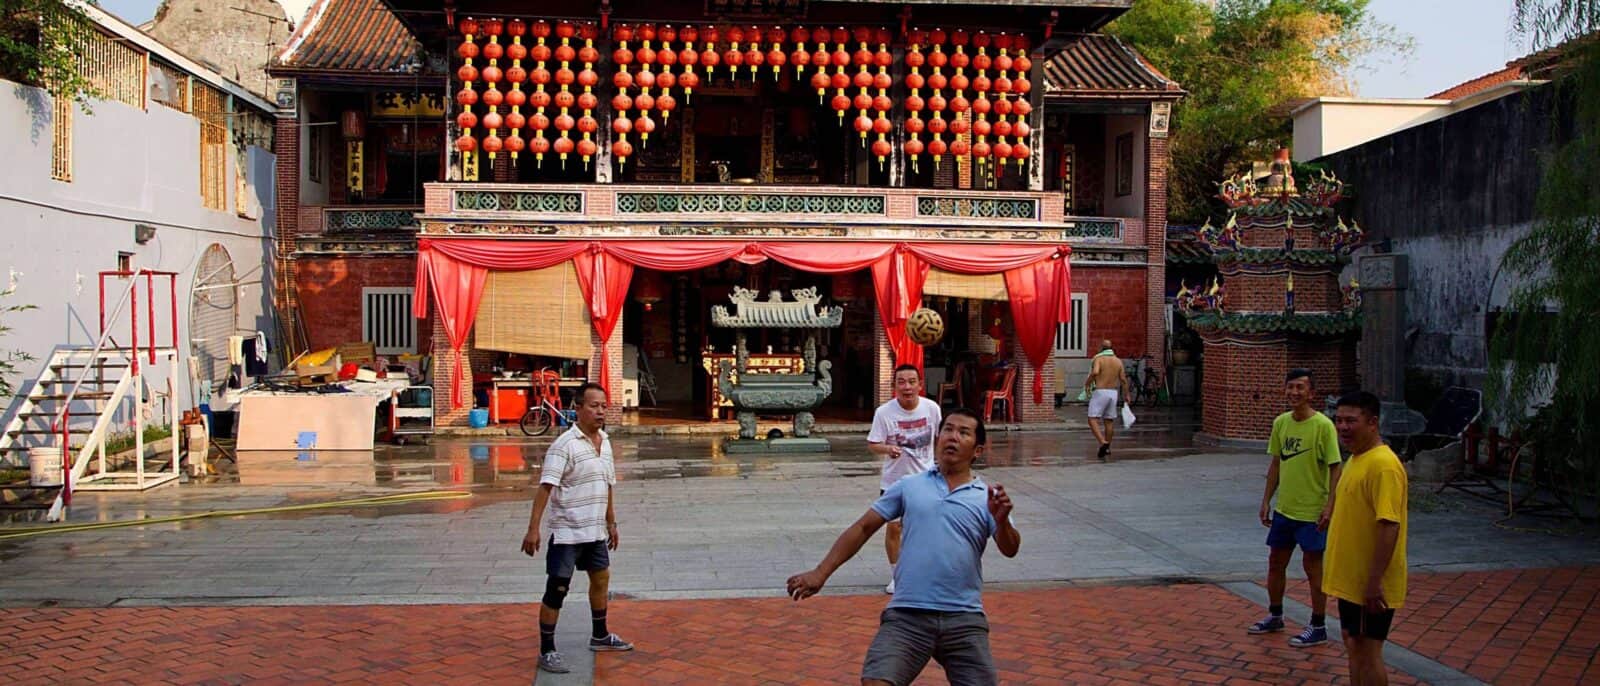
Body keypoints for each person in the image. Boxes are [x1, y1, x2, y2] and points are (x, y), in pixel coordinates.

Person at [788, 409, 1021, 686]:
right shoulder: (910, 486)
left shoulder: (987, 497)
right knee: (876, 681)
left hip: (963, 616)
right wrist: (821, 573)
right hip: (908, 614)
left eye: (963, 433)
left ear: (978, 450)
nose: (952, 437)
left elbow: (1010, 548)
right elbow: (863, 527)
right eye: (947, 429)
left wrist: (1002, 521)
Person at [521, 383, 633, 674]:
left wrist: (611, 522)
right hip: (567, 532)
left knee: (601, 579)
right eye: (594, 406)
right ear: (578, 408)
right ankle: (547, 650)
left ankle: (600, 635)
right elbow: (545, 488)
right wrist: (533, 529)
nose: (600, 411)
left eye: (604, 406)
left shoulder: (605, 442)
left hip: (595, 531)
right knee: (557, 589)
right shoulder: (564, 446)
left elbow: (608, 484)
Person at [1248, 369, 1343, 647]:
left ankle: (1318, 624)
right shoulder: (1281, 423)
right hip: (1285, 509)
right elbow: (1277, 463)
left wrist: (1330, 505)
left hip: (1312, 511)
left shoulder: (1323, 426)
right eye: (1290, 387)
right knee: (1276, 562)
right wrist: (1266, 500)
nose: (1294, 392)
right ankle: (1275, 615)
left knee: (1313, 567)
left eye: (1300, 387)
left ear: (1311, 393)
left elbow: (1335, 467)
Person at [1325, 391, 1409, 686]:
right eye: (1338, 420)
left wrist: (1374, 582)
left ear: (1372, 422)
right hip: (1352, 580)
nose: (1343, 427)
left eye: (1351, 421)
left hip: (1369, 584)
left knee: (1367, 650)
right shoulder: (1357, 458)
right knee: (1354, 643)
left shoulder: (1383, 465)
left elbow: (1389, 525)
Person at [866, 363, 943, 594]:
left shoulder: (932, 409)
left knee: (926, 529)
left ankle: (926, 573)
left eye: (911, 382)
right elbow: (873, 444)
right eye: (901, 382)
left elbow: (940, 439)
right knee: (894, 528)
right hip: (895, 481)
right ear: (894, 386)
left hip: (926, 479)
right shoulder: (884, 412)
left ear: (920, 385)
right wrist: (888, 448)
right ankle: (897, 575)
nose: (907, 387)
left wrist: (943, 466)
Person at [1082, 340, 1129, 460]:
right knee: (1109, 421)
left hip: (1100, 391)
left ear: (1101, 348)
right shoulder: (1118, 361)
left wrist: (1087, 383)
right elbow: (1123, 379)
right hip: (1113, 392)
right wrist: (1127, 394)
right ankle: (1107, 447)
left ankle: (1103, 442)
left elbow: (1095, 372)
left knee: (1092, 418)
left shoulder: (1099, 359)